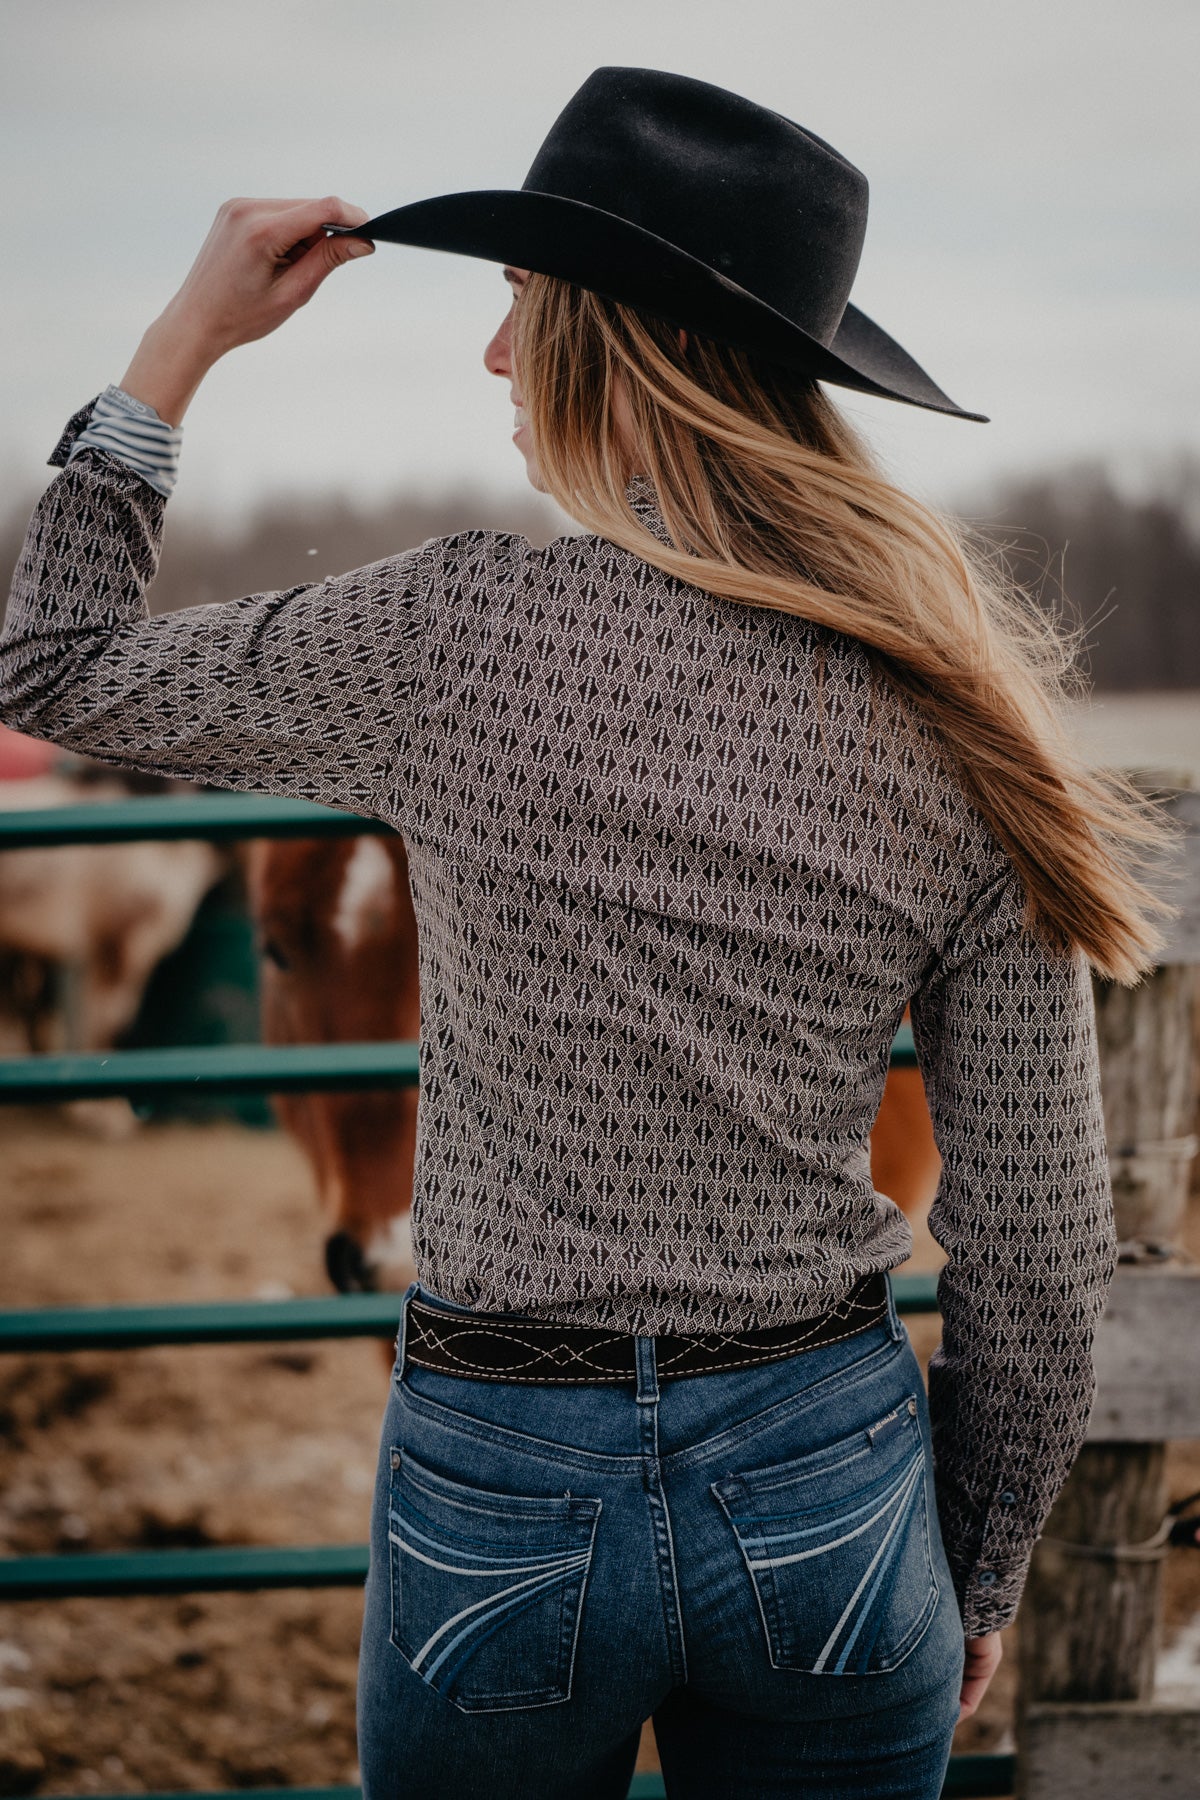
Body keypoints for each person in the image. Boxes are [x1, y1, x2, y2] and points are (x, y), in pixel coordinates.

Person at [0, 65, 1179, 1800]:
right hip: (827, 1482)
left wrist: (183, 342)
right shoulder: (957, 717)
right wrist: (974, 1572)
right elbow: (1038, 1246)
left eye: (518, 310)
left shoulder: (456, 630)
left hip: (499, 1467)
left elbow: (51, 668)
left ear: (606, 347)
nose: (493, 356)